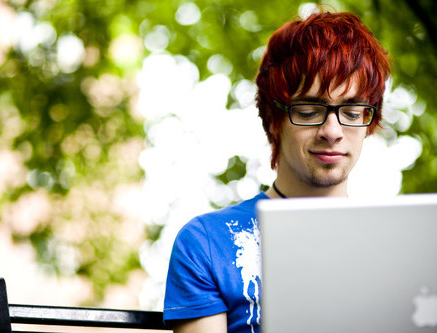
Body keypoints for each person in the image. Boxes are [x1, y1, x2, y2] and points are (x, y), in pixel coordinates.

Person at [163, 10, 390, 333]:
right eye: (309, 111)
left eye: (352, 112)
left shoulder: (400, 245)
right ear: (273, 119)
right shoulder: (208, 243)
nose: (333, 130)